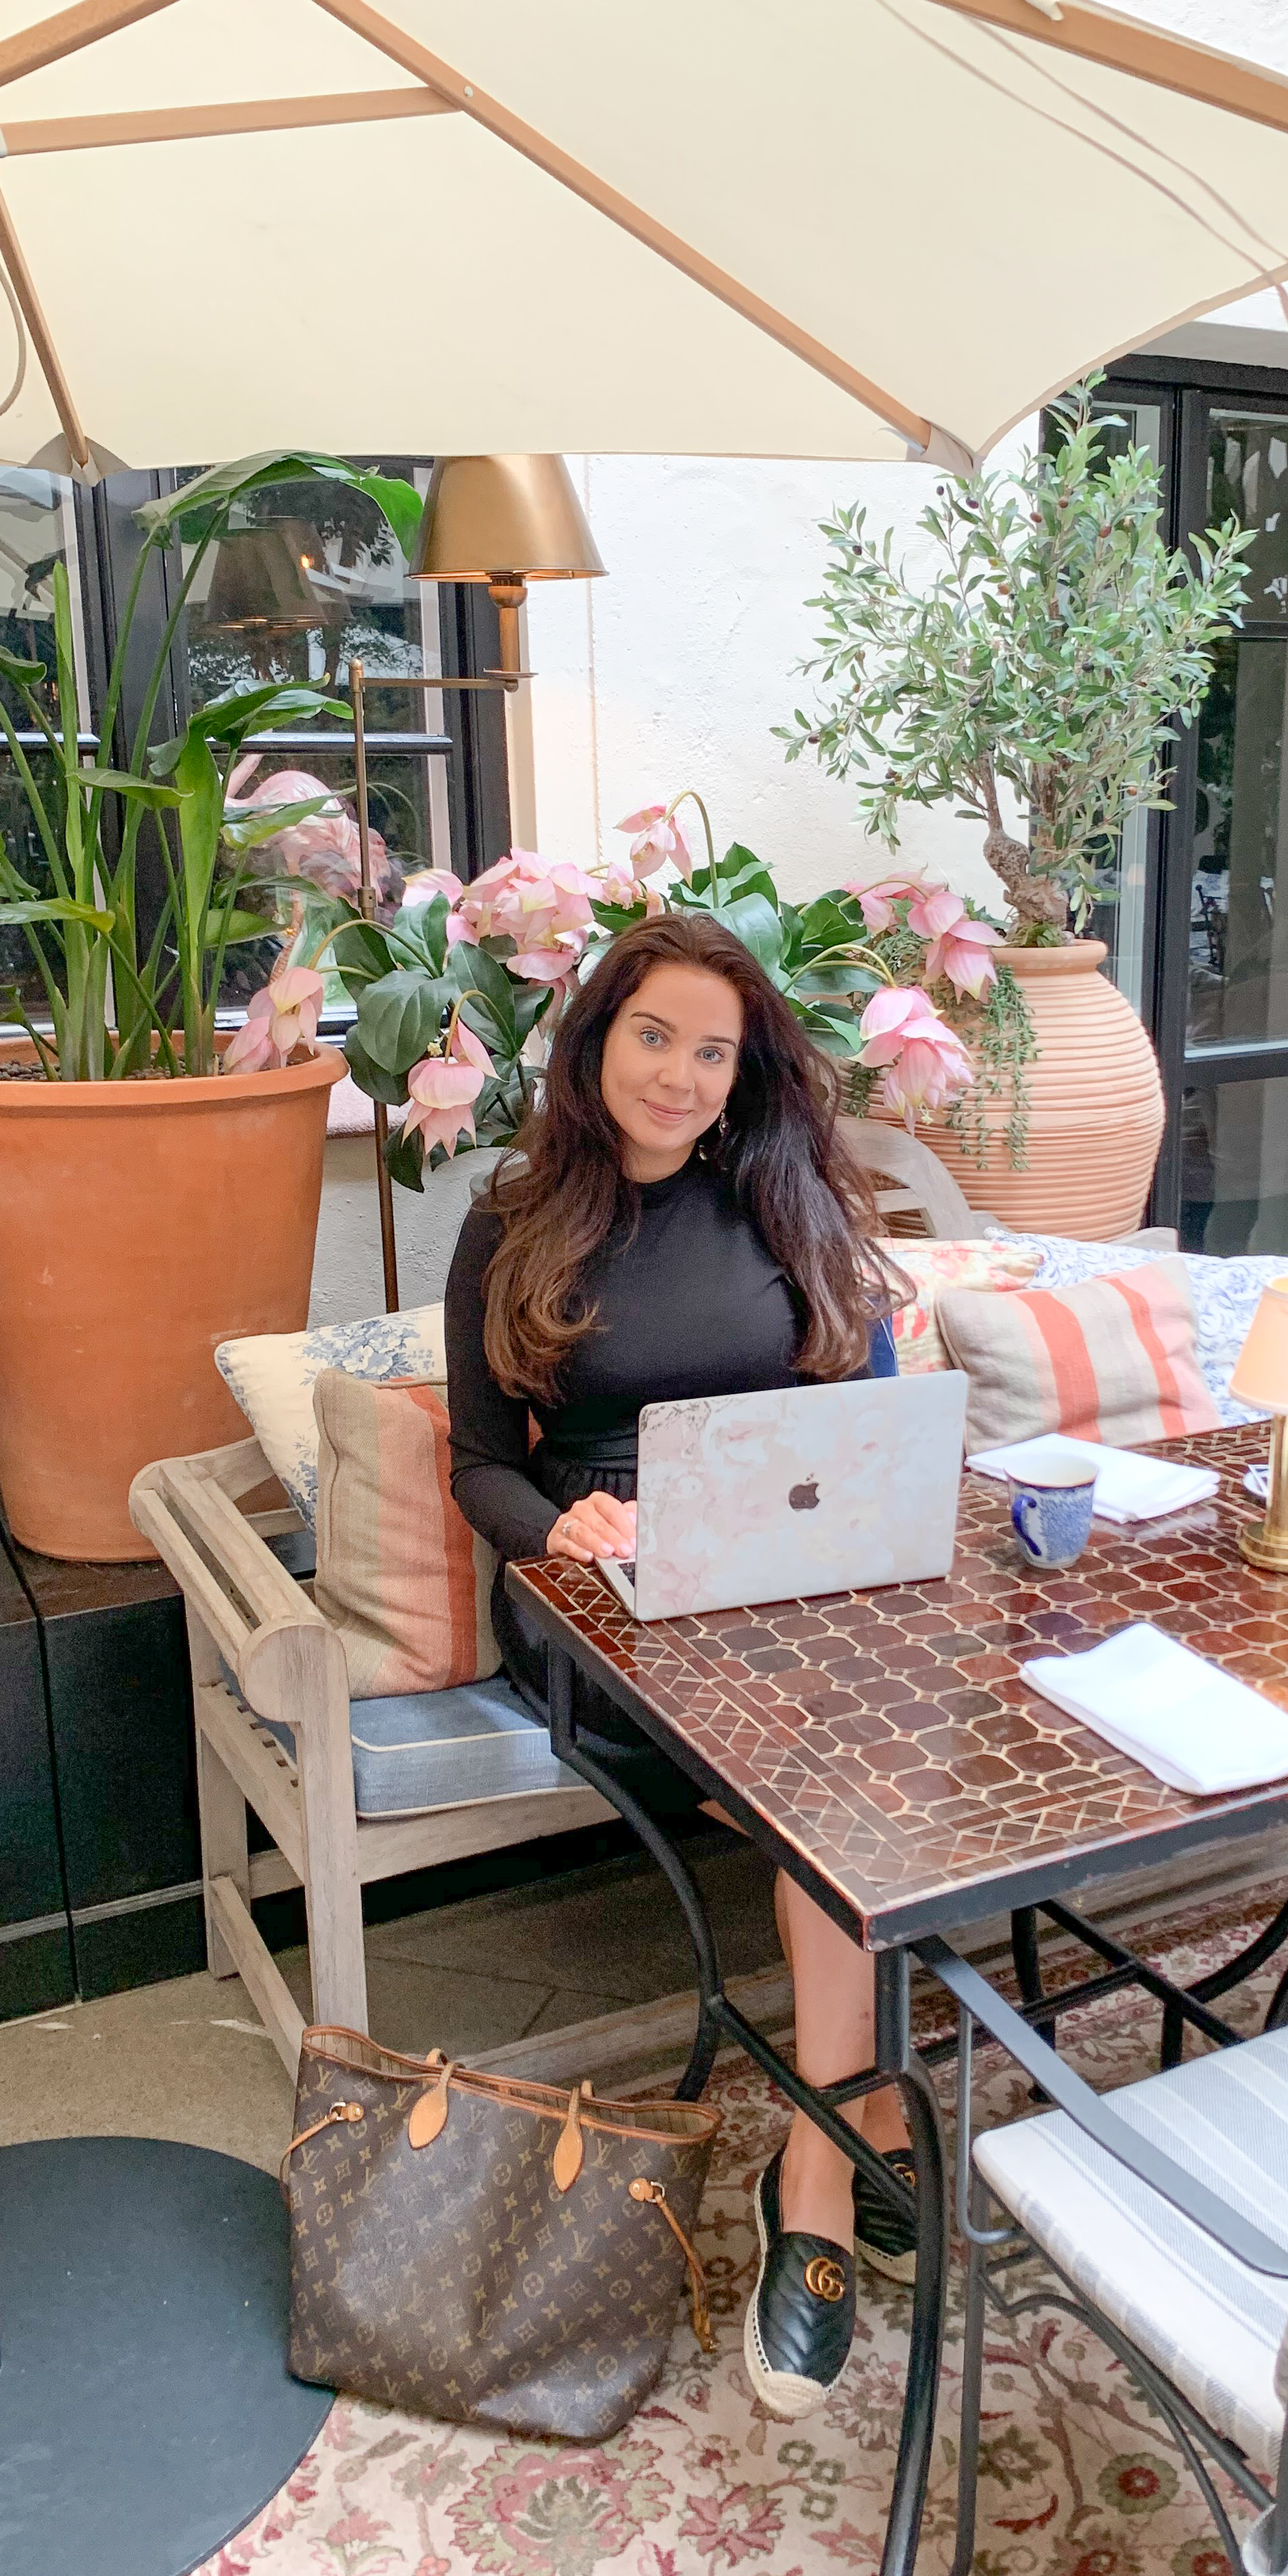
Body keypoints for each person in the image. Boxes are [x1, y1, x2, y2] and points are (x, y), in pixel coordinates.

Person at [445, 910, 915, 2419]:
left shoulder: (782, 1204)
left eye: (713, 1052)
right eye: (654, 1036)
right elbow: (478, 1463)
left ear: (741, 1074)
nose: (680, 1075)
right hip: (602, 1597)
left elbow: (870, 1419)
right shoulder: (512, 1222)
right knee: (831, 1779)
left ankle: (830, 2137)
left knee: (884, 1743)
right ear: (598, 1043)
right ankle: (844, 2157)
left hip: (777, 1573)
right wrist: (561, 1528)